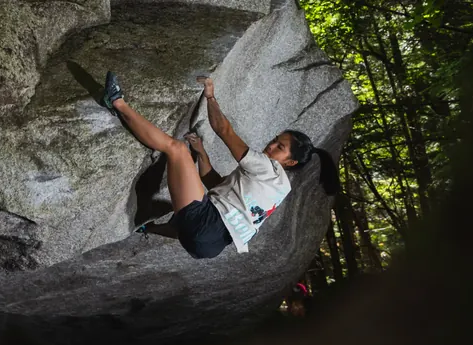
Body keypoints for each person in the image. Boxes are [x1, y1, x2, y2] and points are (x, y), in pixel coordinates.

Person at [103, 71, 321, 259]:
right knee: (187, 213)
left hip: (206, 225)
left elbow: (223, 130)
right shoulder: (281, 188)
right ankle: (148, 228)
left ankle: (116, 102)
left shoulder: (267, 166)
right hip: (211, 247)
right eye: (275, 139)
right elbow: (215, 184)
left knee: (176, 149)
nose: (271, 145)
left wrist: (210, 96)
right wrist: (202, 154)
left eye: (279, 147)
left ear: (290, 162)